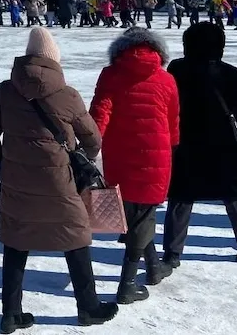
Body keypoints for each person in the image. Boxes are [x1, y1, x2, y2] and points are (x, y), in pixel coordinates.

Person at [0, 28, 117, 332]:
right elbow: (92, 138)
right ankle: (88, 308)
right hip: (60, 181)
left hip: (16, 180)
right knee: (75, 236)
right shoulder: (67, 95)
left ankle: (10, 314)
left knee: (16, 241)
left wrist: (0, 159)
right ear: (54, 60)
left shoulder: (5, 90)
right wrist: (83, 159)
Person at [162, 22, 237, 267]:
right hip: (222, 140)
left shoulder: (177, 68)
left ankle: (172, 252)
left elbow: (166, 102)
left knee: (182, 194)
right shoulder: (228, 72)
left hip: (184, 139)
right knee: (233, 193)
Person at [88, 28, 179, 304]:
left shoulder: (111, 74)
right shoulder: (166, 78)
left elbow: (100, 111)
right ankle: (127, 285)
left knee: (136, 213)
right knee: (142, 212)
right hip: (156, 155)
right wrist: (172, 144)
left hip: (119, 155)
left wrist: (91, 144)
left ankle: (152, 267)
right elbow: (174, 121)